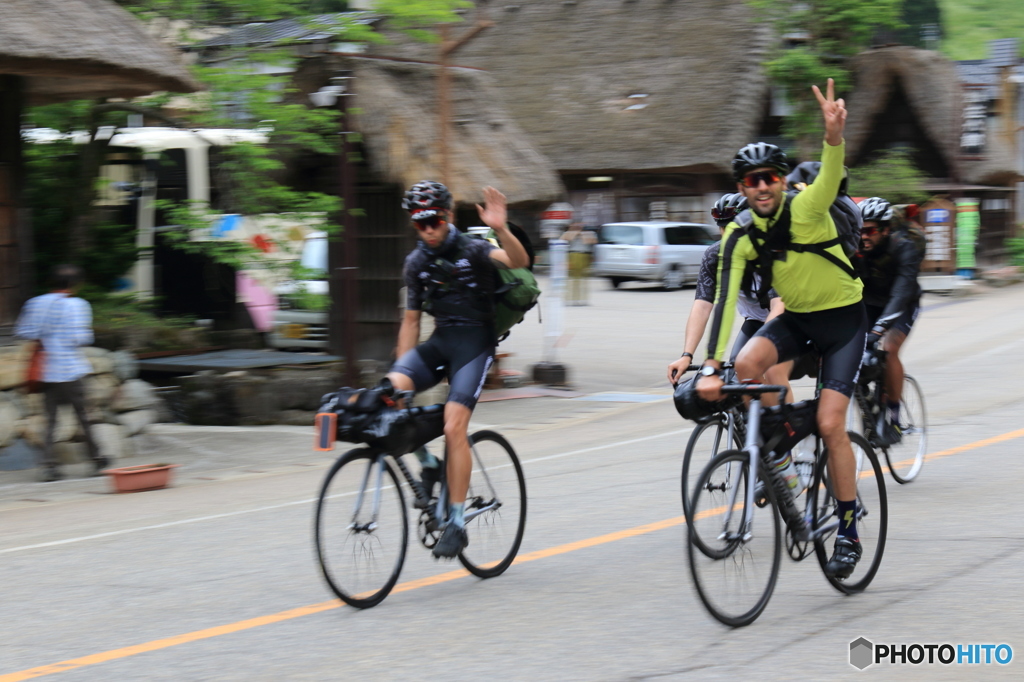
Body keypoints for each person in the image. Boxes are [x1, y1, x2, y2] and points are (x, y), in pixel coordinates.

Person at [697, 79, 867, 580]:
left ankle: (849, 531)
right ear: (743, 189)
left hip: (842, 321)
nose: (763, 186)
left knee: (834, 425)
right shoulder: (739, 234)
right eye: (751, 181)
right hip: (797, 319)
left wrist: (833, 135)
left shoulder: (809, 206)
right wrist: (710, 366)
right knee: (746, 363)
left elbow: (831, 172)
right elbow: (724, 300)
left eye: (769, 176)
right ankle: (784, 461)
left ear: (780, 180)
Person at [386, 181, 529, 559]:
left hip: (474, 346)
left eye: (433, 220)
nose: (429, 229)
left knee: (453, 426)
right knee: (388, 396)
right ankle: (430, 465)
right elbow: (411, 322)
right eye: (420, 224)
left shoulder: (474, 248)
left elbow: (518, 262)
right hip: (441, 341)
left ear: (447, 216)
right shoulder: (416, 263)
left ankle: (456, 523)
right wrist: (399, 374)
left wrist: (501, 228)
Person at [666, 193, 790, 402]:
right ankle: (756, 429)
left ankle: (786, 427)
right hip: (755, 321)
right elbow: (702, 306)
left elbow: (779, 307)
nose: (727, 235)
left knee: (771, 370)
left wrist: (758, 348)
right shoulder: (715, 255)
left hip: (788, 321)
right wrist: (687, 355)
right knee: (736, 373)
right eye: (723, 228)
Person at [15, 265, 107, 482]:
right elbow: (80, 339)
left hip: (45, 371)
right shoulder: (78, 305)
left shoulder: (34, 303)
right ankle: (96, 459)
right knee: (84, 416)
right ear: (75, 284)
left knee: (51, 420)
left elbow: (23, 332)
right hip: (71, 369)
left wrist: (45, 337)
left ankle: (48, 466)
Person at [856, 196, 923, 445]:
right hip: (869, 302)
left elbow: (901, 293)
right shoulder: (856, 248)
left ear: (885, 230)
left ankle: (893, 416)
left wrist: (878, 330)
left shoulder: (904, 247)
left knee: (889, 348)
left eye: (870, 231)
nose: (864, 236)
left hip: (902, 302)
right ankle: (866, 400)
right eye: (860, 230)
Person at [561, 222, 596, 305]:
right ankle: (569, 299)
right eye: (575, 225)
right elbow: (563, 239)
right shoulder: (568, 233)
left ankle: (582, 300)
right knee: (571, 279)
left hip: (584, 255)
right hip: (572, 255)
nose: (577, 227)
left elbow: (591, 241)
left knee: (583, 279)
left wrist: (581, 234)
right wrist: (572, 232)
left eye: (579, 225)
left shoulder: (589, 233)